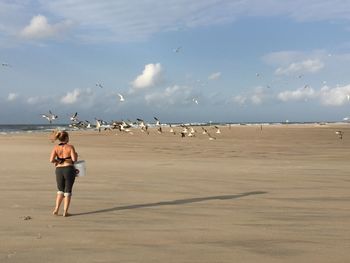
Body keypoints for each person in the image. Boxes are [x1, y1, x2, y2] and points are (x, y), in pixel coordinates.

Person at [49, 130, 78, 217]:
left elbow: (51, 160)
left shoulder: (55, 148)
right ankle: (65, 211)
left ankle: (56, 209)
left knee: (60, 190)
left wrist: (58, 160)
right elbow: (74, 159)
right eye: (68, 137)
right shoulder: (70, 147)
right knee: (67, 191)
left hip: (59, 170)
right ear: (66, 138)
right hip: (68, 169)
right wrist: (76, 154)